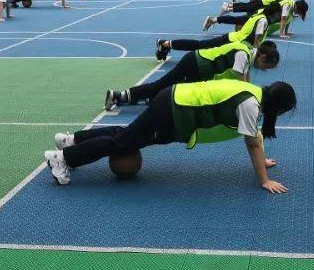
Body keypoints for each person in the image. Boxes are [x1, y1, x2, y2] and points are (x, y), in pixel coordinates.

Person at [43, 79, 297, 192]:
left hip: (175, 106)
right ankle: (63, 158)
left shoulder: (252, 93)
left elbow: (254, 136)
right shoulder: (250, 104)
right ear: (278, 107)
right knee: (125, 141)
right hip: (174, 109)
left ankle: (72, 140)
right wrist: (264, 181)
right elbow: (252, 143)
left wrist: (263, 161)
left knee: (129, 134)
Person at [104, 40, 280, 111]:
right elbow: (241, 85)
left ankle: (137, 97)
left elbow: (245, 78)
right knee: (162, 86)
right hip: (195, 64)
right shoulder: (243, 54)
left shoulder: (247, 51)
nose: (263, 70)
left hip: (200, 67)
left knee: (172, 91)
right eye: (266, 67)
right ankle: (118, 95)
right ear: (263, 57)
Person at [201, 0, 309, 47]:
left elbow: (287, 20)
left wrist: (286, 32)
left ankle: (214, 20)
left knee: (238, 20)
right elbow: (283, 19)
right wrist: (281, 34)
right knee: (237, 20)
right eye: (300, 12)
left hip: (262, 18)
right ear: (298, 7)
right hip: (259, 16)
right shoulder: (288, 5)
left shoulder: (291, 10)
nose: (298, 14)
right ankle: (213, 20)